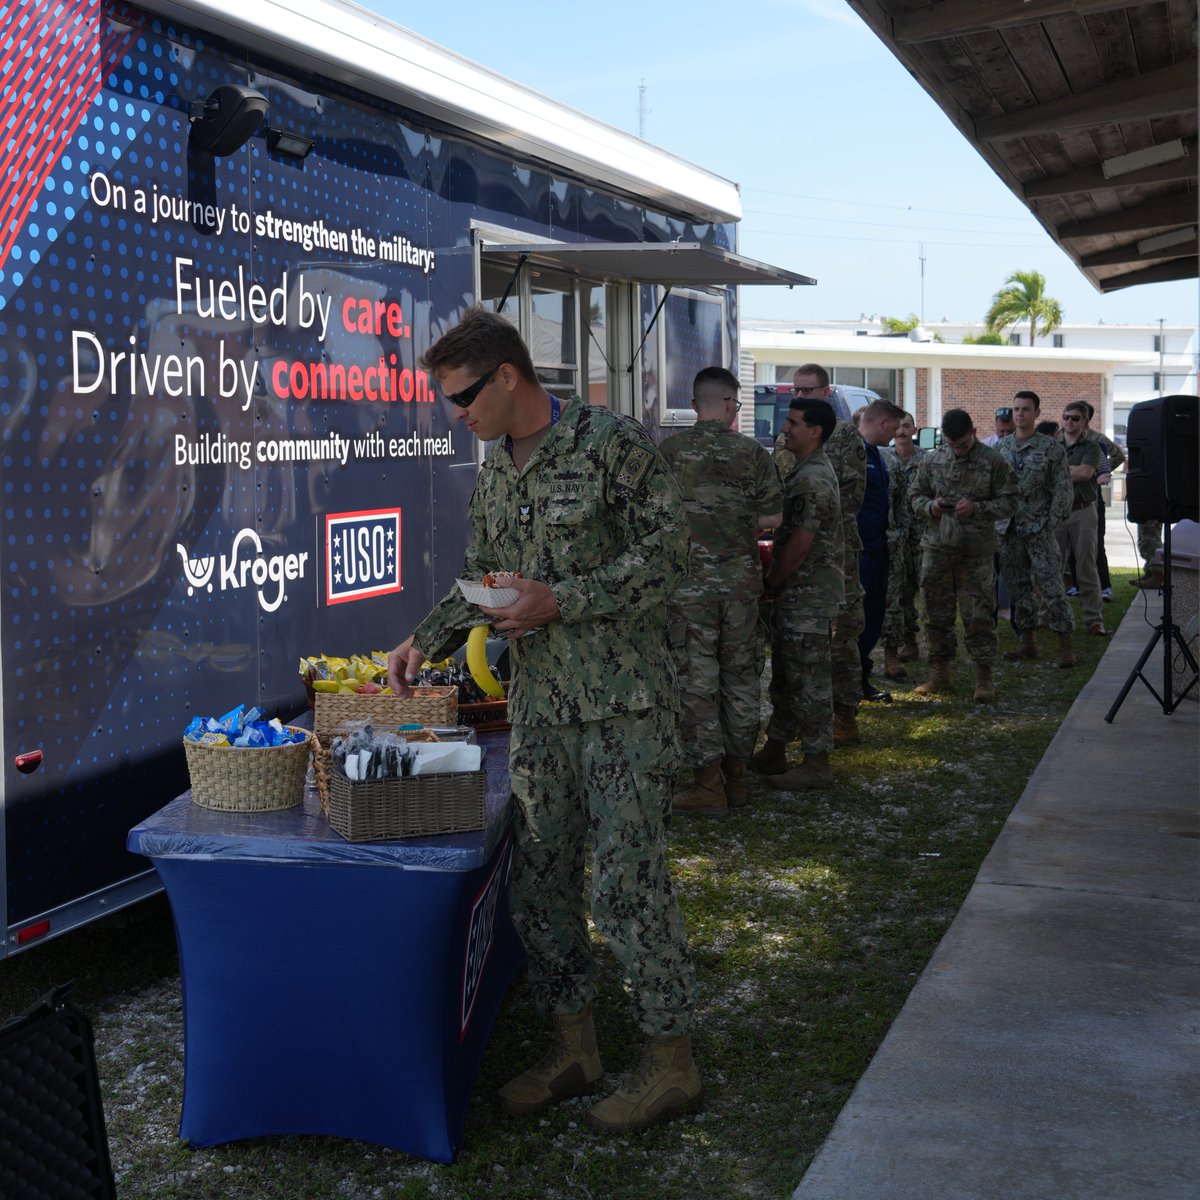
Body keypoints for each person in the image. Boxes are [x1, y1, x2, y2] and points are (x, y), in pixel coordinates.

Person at [386, 309, 701, 1133]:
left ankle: (671, 1062)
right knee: (543, 887)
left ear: (508, 377)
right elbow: (480, 579)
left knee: (630, 887)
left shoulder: (611, 444)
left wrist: (565, 599)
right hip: (541, 716)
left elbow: (671, 552)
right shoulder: (495, 471)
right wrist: (424, 641)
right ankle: (576, 1048)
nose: (457, 415)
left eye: (461, 397)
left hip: (621, 710)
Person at [660, 366, 782, 815]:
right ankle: (737, 780)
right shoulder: (753, 453)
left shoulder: (669, 451)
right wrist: (733, 521)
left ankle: (706, 785)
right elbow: (772, 520)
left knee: (697, 684)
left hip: (688, 592)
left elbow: (651, 519)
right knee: (741, 680)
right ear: (732, 405)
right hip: (741, 589)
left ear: (695, 405)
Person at [752, 397, 844, 789]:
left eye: (792, 422)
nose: (785, 428)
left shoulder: (812, 479)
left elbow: (801, 544)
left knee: (809, 680)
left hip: (809, 596)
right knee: (788, 677)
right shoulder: (803, 470)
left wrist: (771, 581)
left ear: (815, 431)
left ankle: (816, 761)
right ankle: (776, 748)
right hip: (798, 595)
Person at [774, 364, 867, 745]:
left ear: (826, 393)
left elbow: (851, 498)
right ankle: (789, 729)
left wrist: (811, 527)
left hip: (832, 550)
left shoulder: (843, 436)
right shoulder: (788, 437)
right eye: (796, 390)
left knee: (839, 637)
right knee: (793, 647)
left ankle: (844, 713)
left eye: (808, 391)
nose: (801, 395)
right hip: (797, 546)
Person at [909, 408, 1018, 701]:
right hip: (937, 547)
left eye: (963, 444)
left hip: (976, 551)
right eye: (952, 444)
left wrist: (978, 509)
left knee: (979, 613)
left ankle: (984, 677)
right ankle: (940, 673)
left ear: (972, 432)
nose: (957, 450)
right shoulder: (932, 460)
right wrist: (931, 506)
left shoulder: (993, 461)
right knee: (935, 612)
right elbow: (915, 495)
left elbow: (1010, 502)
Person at [995, 391, 1076, 667]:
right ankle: (1027, 643)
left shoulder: (1052, 448)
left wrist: (1050, 522)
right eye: (1016, 409)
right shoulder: (1002, 448)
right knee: (1019, 589)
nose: (1019, 414)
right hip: (1010, 529)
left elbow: (1063, 489)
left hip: (1039, 528)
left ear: (1037, 413)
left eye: (1026, 409)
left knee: (1052, 587)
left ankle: (1066, 646)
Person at [855, 400, 906, 695]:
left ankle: (861, 677)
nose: (897, 435)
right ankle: (851, 683)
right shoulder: (853, 453)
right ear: (883, 423)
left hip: (877, 548)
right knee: (857, 620)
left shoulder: (876, 453)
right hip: (859, 551)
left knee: (873, 617)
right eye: (895, 428)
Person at [1056, 400, 1108, 637]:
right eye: (1066, 417)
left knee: (1086, 567)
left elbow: (1085, 473)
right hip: (1056, 512)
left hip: (1083, 511)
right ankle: (1053, 617)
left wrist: (1056, 471)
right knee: (1052, 567)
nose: (1069, 422)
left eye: (1075, 418)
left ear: (1085, 422)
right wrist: (1071, 470)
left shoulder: (1093, 447)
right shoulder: (1052, 445)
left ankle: (1093, 620)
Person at [880, 411, 925, 679]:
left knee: (916, 590)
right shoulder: (884, 459)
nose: (901, 432)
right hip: (895, 535)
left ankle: (914, 639)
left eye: (907, 426)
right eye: (898, 427)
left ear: (914, 429)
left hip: (920, 536)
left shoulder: (926, 461)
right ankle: (892, 650)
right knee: (894, 592)